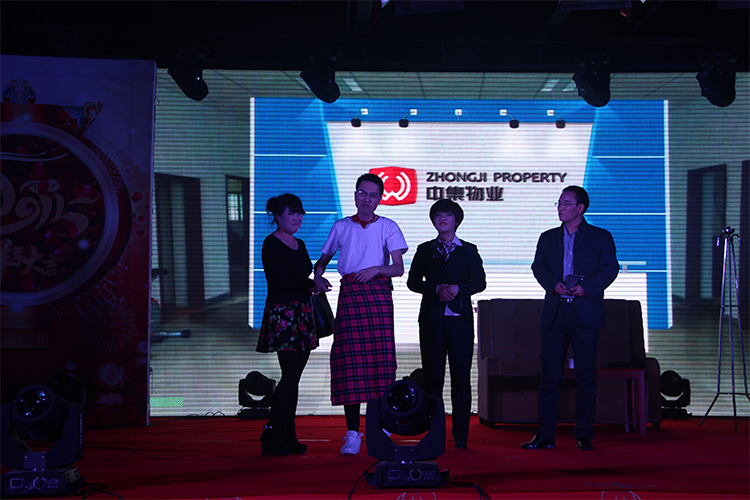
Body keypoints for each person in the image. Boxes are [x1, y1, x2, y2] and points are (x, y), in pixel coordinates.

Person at [313, 173, 408, 455]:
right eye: (362, 193)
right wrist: (318, 276)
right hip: (351, 295)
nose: (367, 199)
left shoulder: (388, 226)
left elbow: (398, 268)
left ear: (380, 199)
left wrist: (376, 269)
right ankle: (353, 433)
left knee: (380, 362)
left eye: (373, 195)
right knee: (349, 361)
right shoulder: (341, 226)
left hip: (378, 295)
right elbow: (322, 261)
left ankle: (378, 428)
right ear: (355, 195)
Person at [522, 185, 618, 452]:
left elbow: (610, 269)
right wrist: (553, 284)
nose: (561, 208)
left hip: (585, 312)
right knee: (550, 377)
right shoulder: (548, 237)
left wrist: (587, 288)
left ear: (580, 208)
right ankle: (545, 436)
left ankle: (584, 435)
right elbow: (538, 266)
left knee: (585, 376)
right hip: (555, 313)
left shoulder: (601, 237)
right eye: (559, 203)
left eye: (566, 203)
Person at [407, 199, 486, 449]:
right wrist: (435, 288)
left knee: (461, 379)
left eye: (448, 215)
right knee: (433, 379)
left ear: (456, 221)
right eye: (438, 215)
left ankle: (461, 436)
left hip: (460, 322)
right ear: (433, 220)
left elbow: (480, 282)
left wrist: (458, 288)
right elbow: (412, 282)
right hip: (432, 320)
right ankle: (435, 433)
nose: (443, 219)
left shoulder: (469, 250)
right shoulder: (424, 249)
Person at [256, 194, 319, 456]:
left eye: (299, 213)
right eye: (291, 213)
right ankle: (271, 434)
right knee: (290, 375)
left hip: (301, 314)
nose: (297, 218)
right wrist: (309, 285)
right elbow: (281, 282)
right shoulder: (271, 243)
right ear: (277, 216)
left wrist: (315, 284)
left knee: (294, 377)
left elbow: (301, 277)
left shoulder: (299, 243)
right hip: (283, 316)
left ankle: (287, 434)